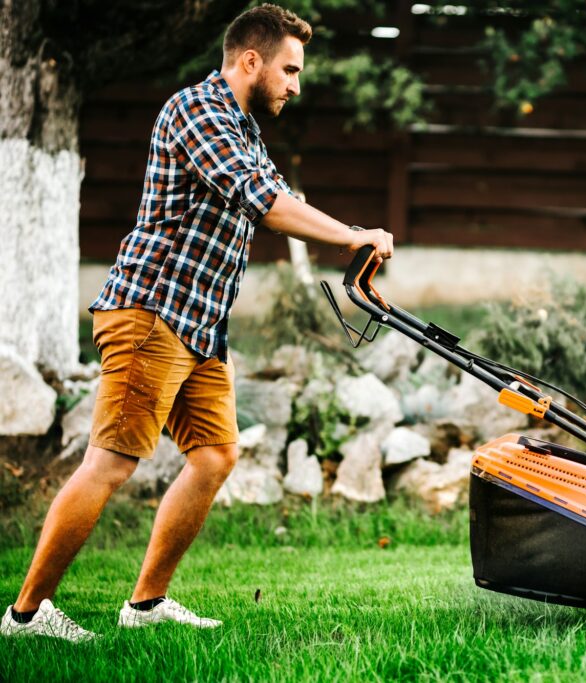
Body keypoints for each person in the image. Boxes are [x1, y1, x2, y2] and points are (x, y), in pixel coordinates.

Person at [1, 3, 392, 643]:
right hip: (152, 311)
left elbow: (283, 199)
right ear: (249, 61)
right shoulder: (197, 111)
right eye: (289, 70)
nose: (296, 85)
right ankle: (25, 615)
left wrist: (349, 238)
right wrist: (354, 236)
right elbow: (262, 202)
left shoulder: (243, 128)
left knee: (214, 456)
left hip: (200, 325)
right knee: (111, 462)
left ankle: (147, 603)